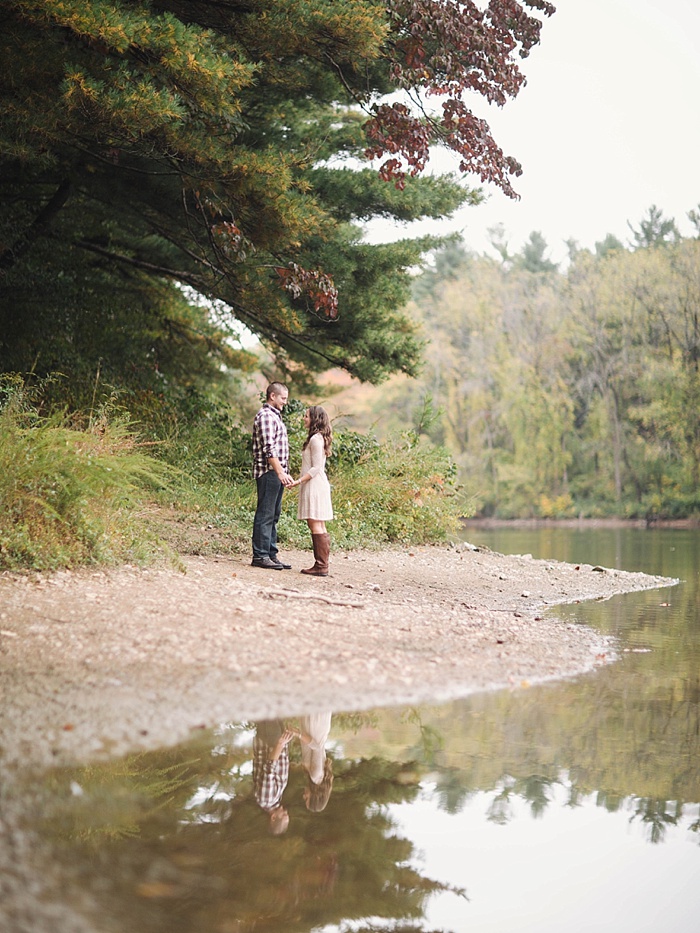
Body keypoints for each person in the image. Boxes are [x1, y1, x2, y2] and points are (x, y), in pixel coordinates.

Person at [251, 382, 294, 570]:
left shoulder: (275, 416)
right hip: (269, 473)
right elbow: (269, 449)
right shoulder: (267, 416)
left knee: (274, 514)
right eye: (283, 398)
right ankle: (260, 555)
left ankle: (270, 553)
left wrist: (283, 472)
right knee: (266, 514)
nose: (285, 402)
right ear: (273, 396)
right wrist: (279, 472)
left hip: (277, 473)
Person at [294, 406, 333, 576]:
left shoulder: (316, 440)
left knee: (316, 523)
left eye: (306, 416)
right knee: (318, 523)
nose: (304, 419)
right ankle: (321, 564)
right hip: (314, 483)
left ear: (315, 419)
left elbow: (316, 467)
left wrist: (299, 481)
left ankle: (321, 566)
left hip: (315, 484)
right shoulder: (316, 438)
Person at [252, 719, 297, 835]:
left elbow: (269, 768)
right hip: (274, 741)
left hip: (270, 742)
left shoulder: (267, 799)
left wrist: (280, 744)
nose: (286, 811)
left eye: (284, 815)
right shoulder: (274, 800)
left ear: (273, 817)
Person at [299, 711, 334, 813]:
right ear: (315, 797)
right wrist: (297, 734)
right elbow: (317, 747)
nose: (304, 796)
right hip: (315, 726)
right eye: (307, 799)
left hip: (314, 727)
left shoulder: (315, 777)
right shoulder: (315, 776)